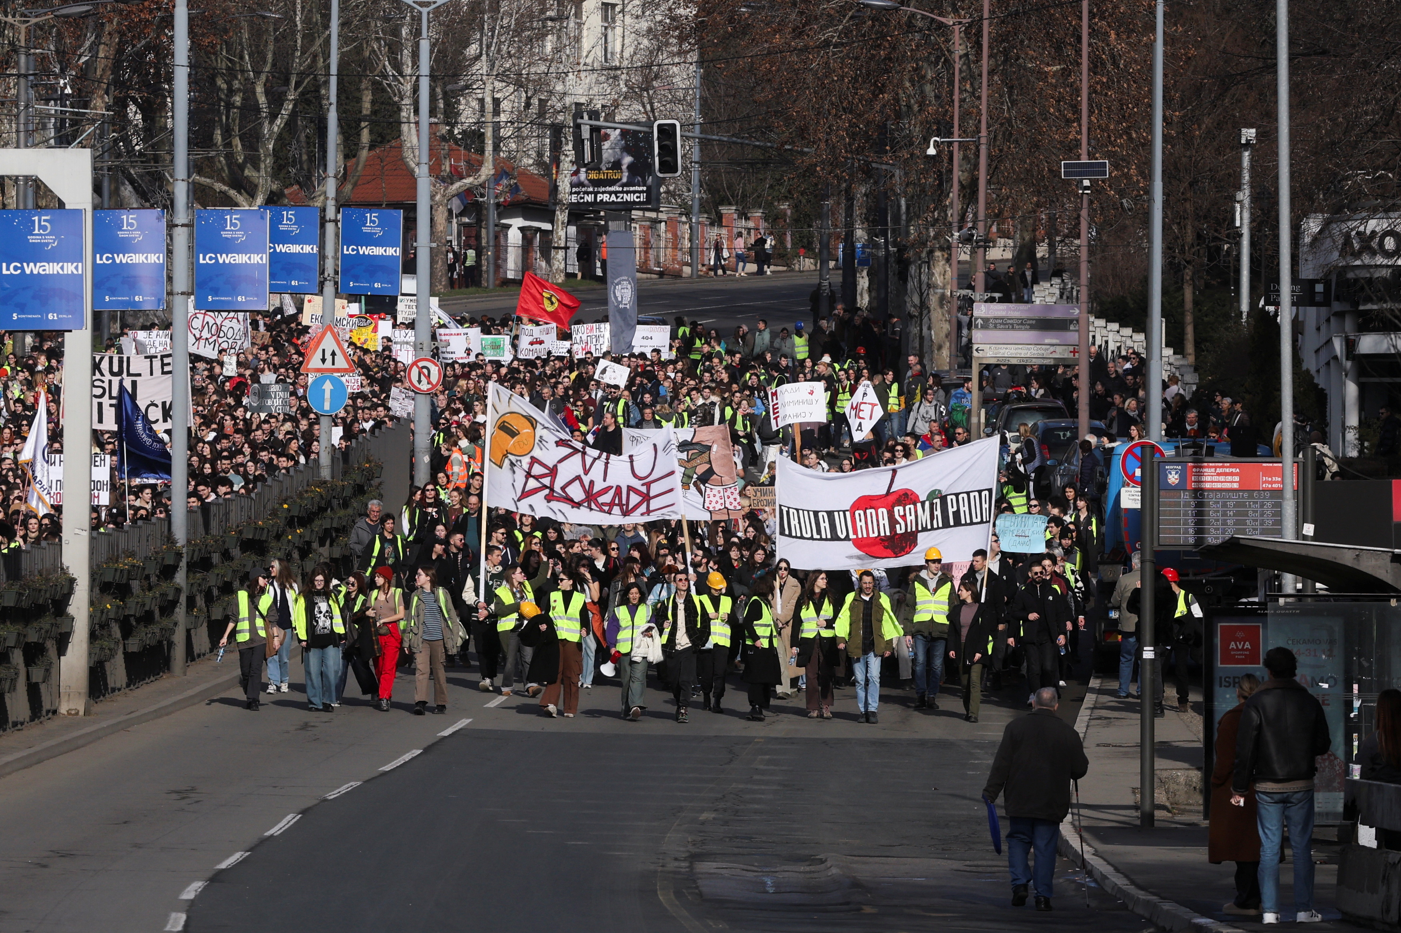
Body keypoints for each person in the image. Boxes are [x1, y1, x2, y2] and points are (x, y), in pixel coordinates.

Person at [1231, 646, 1332, 924]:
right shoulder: (1309, 701)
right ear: (1294, 670)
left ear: (1269, 671)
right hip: (1301, 784)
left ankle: (1270, 912)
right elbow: (1323, 744)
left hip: (1267, 785)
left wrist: (1239, 788)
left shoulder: (1256, 703)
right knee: (1301, 848)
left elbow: (1245, 749)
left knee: (1268, 849)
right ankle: (1303, 910)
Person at [983, 687, 1090, 911]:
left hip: (1020, 798)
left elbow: (1002, 763)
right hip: (1051, 800)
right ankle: (1043, 897)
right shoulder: (1067, 733)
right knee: (1044, 848)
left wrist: (991, 792)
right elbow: (1080, 769)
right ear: (1056, 706)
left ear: (1034, 703)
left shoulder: (1015, 728)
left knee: (1018, 841)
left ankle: (1020, 882)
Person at [1211, 673, 1263, 917]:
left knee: (1243, 847)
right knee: (1260, 846)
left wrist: (1216, 781)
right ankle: (1262, 899)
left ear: (1238, 693)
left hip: (1237, 789)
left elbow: (1224, 760)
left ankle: (1247, 900)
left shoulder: (1232, 719)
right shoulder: (1266, 715)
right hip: (1265, 787)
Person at [834, 570, 903, 723]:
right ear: (860, 583)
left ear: (874, 583)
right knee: (859, 680)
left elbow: (887, 623)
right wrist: (841, 638)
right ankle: (862, 711)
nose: (867, 586)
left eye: (870, 583)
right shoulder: (851, 598)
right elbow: (843, 619)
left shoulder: (881, 599)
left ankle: (872, 710)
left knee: (874, 678)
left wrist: (888, 646)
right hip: (857, 645)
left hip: (875, 645)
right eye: (864, 583)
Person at [403, 566, 465, 715]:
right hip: (421, 639)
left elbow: (451, 617)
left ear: (428, 577)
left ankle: (441, 703)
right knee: (421, 671)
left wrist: (453, 639)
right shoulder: (415, 595)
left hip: (439, 639)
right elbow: (410, 619)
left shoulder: (442, 593)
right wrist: (406, 641)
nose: (416, 577)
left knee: (438, 671)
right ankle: (420, 702)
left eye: (419, 575)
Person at [904, 547, 954, 710]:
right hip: (920, 628)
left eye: (938, 561)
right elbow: (909, 607)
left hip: (940, 628)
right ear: (926, 563)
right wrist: (908, 632)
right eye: (933, 562)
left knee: (937, 666)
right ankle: (920, 696)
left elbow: (954, 607)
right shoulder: (917, 582)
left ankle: (931, 696)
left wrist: (953, 629)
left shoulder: (947, 582)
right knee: (919, 663)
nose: (937, 565)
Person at [1013, 558, 1068, 702]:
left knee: (1048, 668)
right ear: (1030, 574)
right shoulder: (1023, 592)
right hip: (1031, 637)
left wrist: (1062, 633)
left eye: (1041, 572)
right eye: (1035, 573)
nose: (1038, 575)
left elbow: (1060, 613)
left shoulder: (1052, 591)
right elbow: (1014, 612)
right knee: (1034, 669)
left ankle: (1047, 695)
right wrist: (1027, 615)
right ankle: (1035, 694)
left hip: (1049, 636)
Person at [219, 568, 274, 710]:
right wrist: (225, 636)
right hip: (243, 640)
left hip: (260, 639)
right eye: (264, 577)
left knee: (256, 669)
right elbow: (233, 618)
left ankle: (253, 699)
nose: (266, 580)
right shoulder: (241, 596)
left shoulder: (267, 597)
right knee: (245, 671)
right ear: (256, 578)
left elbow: (273, 620)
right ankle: (249, 692)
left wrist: (276, 638)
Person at [659, 566, 707, 723]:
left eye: (686, 579)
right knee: (674, 680)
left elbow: (705, 624)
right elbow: (657, 621)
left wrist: (698, 642)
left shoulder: (696, 602)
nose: (683, 582)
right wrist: (662, 624)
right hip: (671, 646)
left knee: (685, 679)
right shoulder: (667, 603)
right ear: (674, 583)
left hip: (689, 646)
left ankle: (683, 707)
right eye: (680, 580)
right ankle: (679, 702)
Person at [294, 564, 344, 713]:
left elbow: (336, 616)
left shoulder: (331, 596)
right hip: (312, 641)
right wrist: (302, 638)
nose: (319, 583)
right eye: (317, 580)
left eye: (322, 580)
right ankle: (315, 702)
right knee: (312, 673)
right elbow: (300, 618)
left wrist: (341, 634)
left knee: (332, 671)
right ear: (311, 581)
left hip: (330, 639)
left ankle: (328, 700)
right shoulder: (304, 597)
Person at [540, 568, 588, 718]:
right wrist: (544, 625)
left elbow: (584, 618)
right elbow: (547, 615)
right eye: (558, 580)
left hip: (573, 641)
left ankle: (570, 708)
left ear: (570, 582)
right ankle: (550, 704)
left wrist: (585, 629)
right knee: (555, 671)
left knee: (572, 675)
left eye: (562, 580)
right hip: (556, 639)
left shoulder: (580, 598)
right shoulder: (553, 595)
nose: (559, 582)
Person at [606, 582, 654, 720]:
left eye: (636, 593)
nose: (634, 596)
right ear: (627, 595)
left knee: (638, 678)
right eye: (631, 593)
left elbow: (652, 623)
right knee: (626, 680)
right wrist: (612, 646)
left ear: (640, 594)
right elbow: (612, 629)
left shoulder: (647, 609)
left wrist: (650, 632)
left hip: (641, 648)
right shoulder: (619, 610)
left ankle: (636, 706)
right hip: (623, 650)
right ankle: (626, 707)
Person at [794, 570, 838, 719]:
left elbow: (840, 618)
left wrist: (827, 623)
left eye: (825, 578)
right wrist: (794, 644)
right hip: (809, 641)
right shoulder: (803, 598)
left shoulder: (831, 597)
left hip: (827, 641)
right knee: (811, 675)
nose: (825, 581)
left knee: (826, 674)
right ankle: (813, 708)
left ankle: (826, 707)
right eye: (822, 578)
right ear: (814, 581)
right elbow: (796, 623)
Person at [950, 579, 996, 723]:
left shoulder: (982, 609)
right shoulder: (957, 609)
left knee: (975, 681)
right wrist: (951, 647)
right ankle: (968, 709)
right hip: (961, 648)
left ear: (969, 592)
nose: (959, 593)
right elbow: (952, 631)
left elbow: (984, 632)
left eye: (961, 590)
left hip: (976, 649)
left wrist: (980, 650)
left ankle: (973, 713)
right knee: (965, 684)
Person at [740, 574, 782, 721]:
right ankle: (755, 707)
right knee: (757, 679)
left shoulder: (764, 603)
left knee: (765, 679)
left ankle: (761, 705)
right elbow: (747, 622)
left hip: (767, 648)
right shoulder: (756, 602)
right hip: (758, 648)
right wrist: (756, 639)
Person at [696, 569, 734, 714]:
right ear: (709, 586)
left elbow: (736, 621)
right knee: (707, 674)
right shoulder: (701, 600)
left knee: (720, 673)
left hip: (722, 643)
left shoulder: (728, 600)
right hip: (706, 642)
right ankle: (706, 697)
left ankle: (717, 700)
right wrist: (707, 616)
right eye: (715, 588)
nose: (718, 591)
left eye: (719, 588)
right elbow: (695, 620)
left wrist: (729, 617)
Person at [369, 566, 404, 712]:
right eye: (375, 576)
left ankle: (383, 698)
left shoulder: (396, 593)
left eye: (378, 576)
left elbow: (401, 614)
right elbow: (368, 611)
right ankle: (385, 693)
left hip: (392, 634)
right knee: (379, 668)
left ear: (386, 579)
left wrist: (384, 620)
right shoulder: (372, 594)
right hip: (376, 635)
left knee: (388, 668)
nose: (376, 579)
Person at [265, 558, 298, 694]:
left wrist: (296, 624)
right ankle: (273, 682)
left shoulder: (292, 586)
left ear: (280, 568)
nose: (270, 569)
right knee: (272, 654)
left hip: (287, 625)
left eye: (273, 567)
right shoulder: (268, 585)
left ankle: (284, 681)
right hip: (272, 625)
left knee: (284, 657)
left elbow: (296, 606)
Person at [1110, 552, 1141, 698]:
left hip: (1129, 625)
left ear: (1133, 564)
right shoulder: (1153, 579)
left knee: (1126, 658)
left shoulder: (1125, 580)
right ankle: (1142, 690)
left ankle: (1123, 690)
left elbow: (1115, 601)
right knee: (1145, 659)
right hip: (1147, 627)